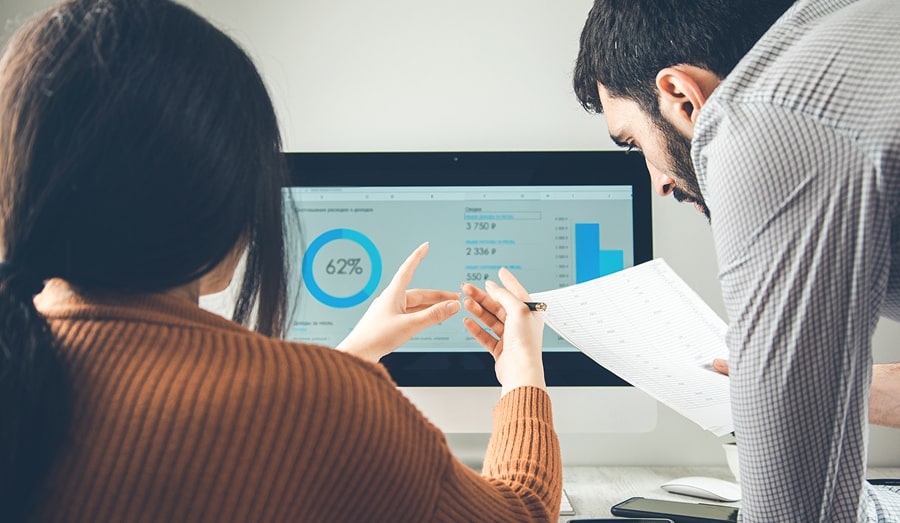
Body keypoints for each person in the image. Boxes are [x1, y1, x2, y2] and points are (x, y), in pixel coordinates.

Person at [0, 0, 561, 521]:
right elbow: (522, 513)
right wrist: (523, 374)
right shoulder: (332, 408)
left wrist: (350, 359)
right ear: (225, 202)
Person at [568, 0, 900, 521]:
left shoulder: (765, 124)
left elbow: (797, 513)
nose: (656, 183)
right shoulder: (850, 28)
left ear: (681, 95)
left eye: (634, 143)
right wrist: (857, 391)